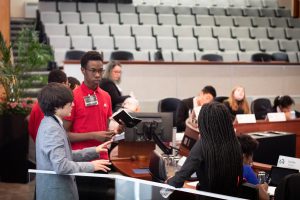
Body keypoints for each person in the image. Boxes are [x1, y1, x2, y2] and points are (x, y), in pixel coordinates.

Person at [35, 82, 111, 200]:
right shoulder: (52, 129)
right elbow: (61, 166)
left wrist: (94, 150)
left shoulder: (52, 123)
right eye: (69, 102)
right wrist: (91, 166)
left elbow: (66, 155)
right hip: (56, 194)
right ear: (57, 106)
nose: (73, 104)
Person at [63, 51, 121, 199]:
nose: (97, 75)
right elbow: (65, 135)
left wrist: (117, 130)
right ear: (83, 70)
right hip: (80, 161)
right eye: (93, 71)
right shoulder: (73, 97)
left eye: (100, 71)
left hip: (102, 159)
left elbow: (105, 127)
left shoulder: (106, 96)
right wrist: (93, 135)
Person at [168, 102, 243, 196]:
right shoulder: (235, 143)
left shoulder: (203, 145)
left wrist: (168, 182)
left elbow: (178, 180)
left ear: (204, 122)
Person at [28, 69, 69, 142]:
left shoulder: (38, 104)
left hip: (40, 144)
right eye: (67, 84)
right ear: (63, 84)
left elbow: (31, 129)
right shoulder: (59, 106)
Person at [237, 134, 270, 200]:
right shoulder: (246, 169)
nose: (251, 159)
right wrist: (264, 184)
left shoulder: (228, 167)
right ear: (244, 155)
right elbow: (265, 198)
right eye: (251, 154)